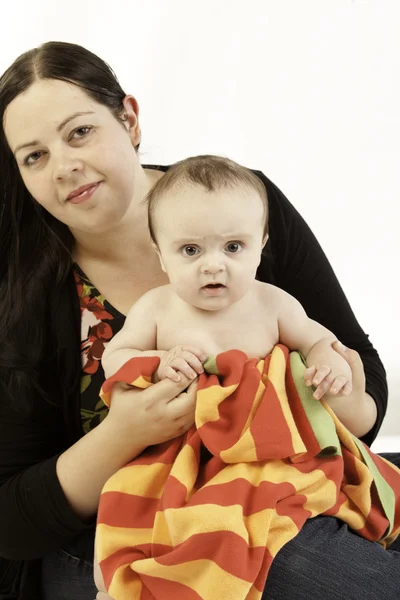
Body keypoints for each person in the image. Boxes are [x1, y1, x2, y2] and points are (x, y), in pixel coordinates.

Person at [0, 40, 398, 600]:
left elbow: (355, 373)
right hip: (134, 519)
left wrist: (333, 388)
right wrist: (126, 432)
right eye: (34, 156)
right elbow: (11, 520)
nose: (65, 166)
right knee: (309, 561)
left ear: (129, 118)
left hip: (279, 466)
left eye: (80, 132)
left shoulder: (236, 201)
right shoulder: (23, 286)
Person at [102, 154, 353, 404]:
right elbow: (114, 358)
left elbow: (320, 340)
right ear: (161, 257)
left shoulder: (273, 304)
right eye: (191, 249)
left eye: (233, 247)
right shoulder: (155, 309)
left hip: (265, 433)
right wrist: (158, 364)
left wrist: (327, 365)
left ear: (260, 249)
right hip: (184, 434)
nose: (213, 266)